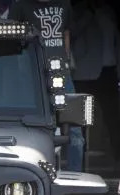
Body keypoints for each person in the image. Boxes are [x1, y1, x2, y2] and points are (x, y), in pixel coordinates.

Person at [9, 0, 86, 171]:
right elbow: (12, 39)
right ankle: (40, 175)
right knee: (36, 130)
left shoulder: (64, 4)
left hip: (61, 74)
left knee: (75, 134)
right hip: (32, 77)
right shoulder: (21, 5)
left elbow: (66, 33)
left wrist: (65, 62)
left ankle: (76, 177)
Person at [70, 0, 120, 164]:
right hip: (84, 73)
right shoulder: (78, 11)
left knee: (113, 114)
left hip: (108, 71)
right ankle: (78, 155)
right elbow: (71, 33)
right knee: (81, 118)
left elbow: (117, 42)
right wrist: (88, 15)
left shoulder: (108, 11)